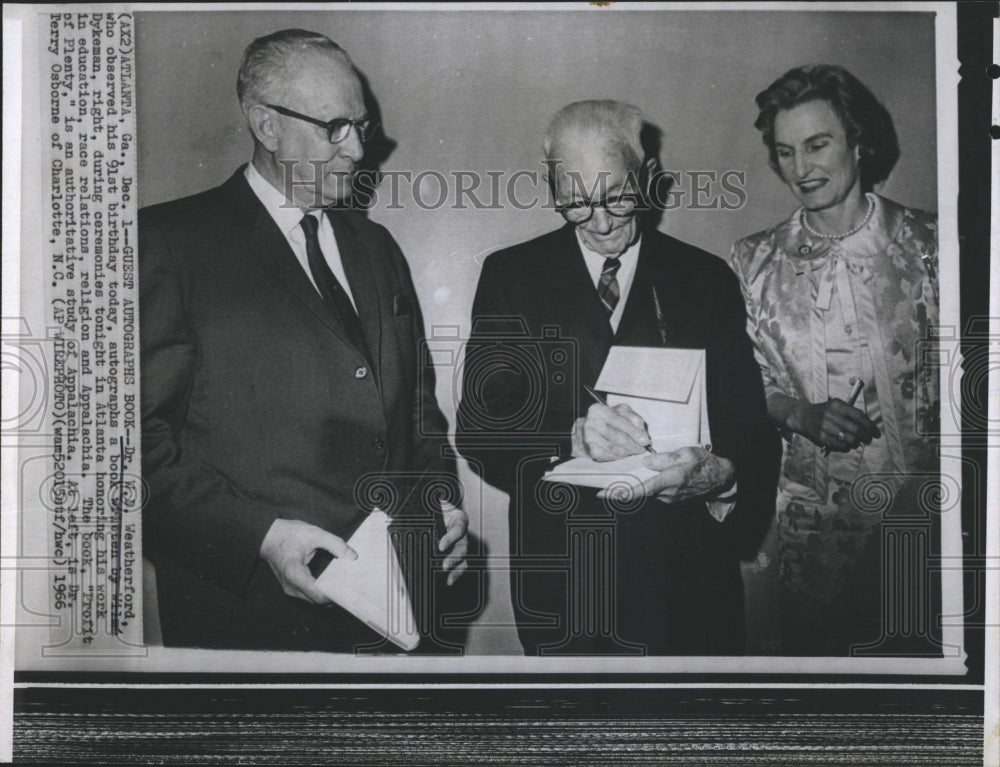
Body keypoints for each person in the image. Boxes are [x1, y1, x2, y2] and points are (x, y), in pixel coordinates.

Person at [139, 29, 468, 652]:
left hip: (393, 611)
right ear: (265, 125)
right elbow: (131, 452)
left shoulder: (378, 250)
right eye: (334, 127)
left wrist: (440, 508)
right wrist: (263, 538)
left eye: (361, 127)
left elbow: (420, 417)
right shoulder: (168, 242)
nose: (356, 150)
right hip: (249, 616)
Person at [456, 100, 779, 655]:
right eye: (575, 205)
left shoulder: (705, 279)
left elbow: (749, 426)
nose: (601, 222)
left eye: (618, 197)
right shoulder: (511, 277)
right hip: (567, 587)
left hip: (687, 584)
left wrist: (721, 477)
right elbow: (480, 429)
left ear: (648, 178)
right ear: (551, 188)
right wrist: (570, 436)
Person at [729, 64, 940, 655]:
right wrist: (798, 414)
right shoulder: (753, 263)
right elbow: (744, 383)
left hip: (932, 518)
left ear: (858, 141)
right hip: (818, 527)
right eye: (786, 151)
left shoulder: (932, 246)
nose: (802, 168)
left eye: (818, 145)